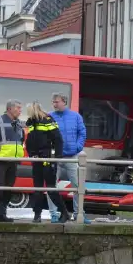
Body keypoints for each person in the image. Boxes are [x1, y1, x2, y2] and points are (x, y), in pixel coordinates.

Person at [24, 102, 67, 222]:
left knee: (50, 188)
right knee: (37, 189)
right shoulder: (32, 122)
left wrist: (56, 157)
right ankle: (37, 215)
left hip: (47, 158)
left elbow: (58, 139)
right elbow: (31, 141)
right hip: (36, 159)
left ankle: (64, 212)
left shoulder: (48, 120)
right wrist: (31, 153)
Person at [48, 92, 86, 222]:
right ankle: (54, 214)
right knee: (51, 185)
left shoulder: (76, 116)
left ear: (64, 101)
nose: (54, 104)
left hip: (71, 156)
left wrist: (77, 147)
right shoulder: (49, 117)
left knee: (78, 186)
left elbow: (82, 132)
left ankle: (79, 214)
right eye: (53, 102)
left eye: (56, 102)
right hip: (55, 157)